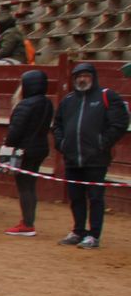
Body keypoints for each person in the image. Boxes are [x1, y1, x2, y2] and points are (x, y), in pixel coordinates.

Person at [53, 63, 129, 249]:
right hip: (72, 158)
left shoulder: (107, 96)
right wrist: (62, 144)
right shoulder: (68, 100)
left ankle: (94, 235)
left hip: (96, 159)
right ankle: (78, 230)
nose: (82, 79)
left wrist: (102, 143)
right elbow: (58, 125)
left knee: (95, 198)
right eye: (78, 76)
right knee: (76, 197)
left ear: (93, 77)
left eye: (86, 75)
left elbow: (119, 124)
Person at [0, 69, 54, 237]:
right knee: (30, 185)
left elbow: (16, 131)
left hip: (25, 150)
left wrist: (8, 144)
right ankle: (28, 222)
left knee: (24, 186)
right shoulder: (46, 102)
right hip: (40, 147)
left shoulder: (25, 104)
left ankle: (27, 223)